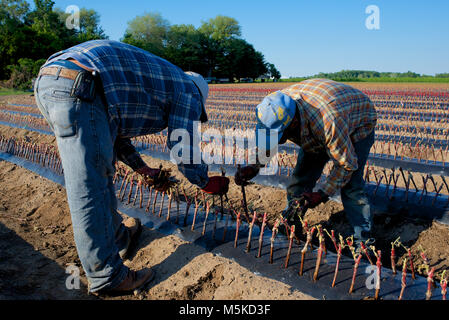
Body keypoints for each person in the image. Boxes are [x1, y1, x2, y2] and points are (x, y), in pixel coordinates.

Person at [34, 40, 229, 295]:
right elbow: (182, 144)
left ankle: (120, 239)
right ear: (199, 95)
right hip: (79, 85)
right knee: (89, 185)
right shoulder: (188, 90)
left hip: (55, 82)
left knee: (100, 175)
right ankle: (108, 276)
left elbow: (112, 130)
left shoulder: (166, 81)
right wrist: (204, 181)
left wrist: (142, 169)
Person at [235, 78, 377, 242]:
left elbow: (346, 165)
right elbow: (271, 137)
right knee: (300, 181)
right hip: (316, 123)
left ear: (294, 123)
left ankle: (364, 241)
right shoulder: (275, 108)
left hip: (357, 122)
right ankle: (291, 225)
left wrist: (322, 195)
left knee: (352, 186)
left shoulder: (328, 121)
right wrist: (254, 167)